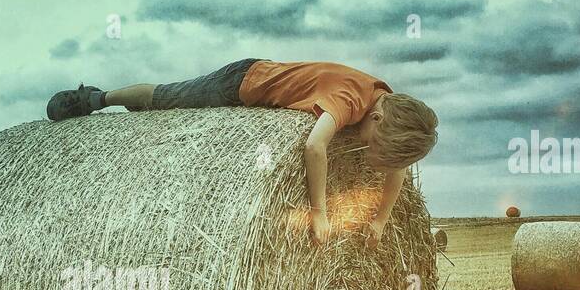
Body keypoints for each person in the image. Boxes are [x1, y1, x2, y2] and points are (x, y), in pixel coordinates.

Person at [46, 58, 438, 244]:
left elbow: (397, 167)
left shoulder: (386, 107)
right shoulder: (350, 99)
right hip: (244, 82)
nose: (367, 151)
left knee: (163, 105)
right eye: (373, 143)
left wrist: (381, 220)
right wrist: (318, 213)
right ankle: (97, 98)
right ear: (379, 117)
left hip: (261, 91)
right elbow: (315, 147)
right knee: (164, 99)